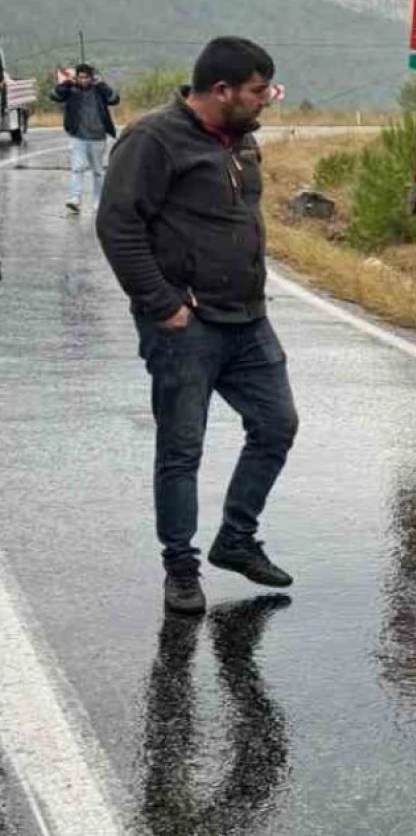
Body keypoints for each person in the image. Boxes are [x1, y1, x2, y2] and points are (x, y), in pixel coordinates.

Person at [96, 37, 294, 616]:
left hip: (248, 321)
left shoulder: (241, 139)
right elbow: (118, 227)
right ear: (222, 90)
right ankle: (181, 569)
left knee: (276, 425)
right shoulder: (152, 139)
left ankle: (236, 539)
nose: (267, 101)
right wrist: (163, 305)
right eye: (259, 91)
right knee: (182, 450)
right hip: (186, 325)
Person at [50, 63, 120, 214]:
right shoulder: (71, 90)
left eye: (86, 77)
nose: (83, 80)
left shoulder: (100, 90)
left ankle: (98, 202)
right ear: (77, 77)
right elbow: (54, 96)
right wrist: (68, 82)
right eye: (80, 77)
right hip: (78, 136)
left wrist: (101, 84)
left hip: (98, 137)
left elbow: (115, 99)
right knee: (77, 168)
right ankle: (75, 199)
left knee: (98, 171)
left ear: (91, 77)